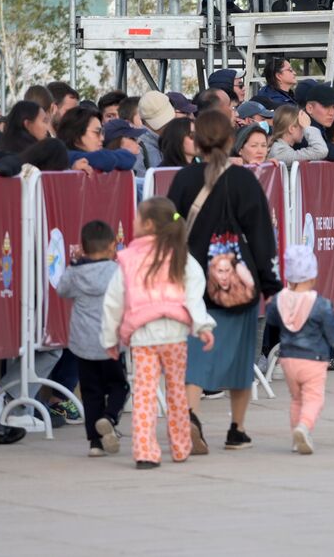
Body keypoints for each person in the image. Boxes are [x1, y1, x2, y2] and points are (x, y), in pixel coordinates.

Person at [167, 110, 282, 453]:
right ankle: (237, 429)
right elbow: (262, 235)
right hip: (238, 282)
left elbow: (171, 224)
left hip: (193, 282)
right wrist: (271, 284)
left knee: (195, 357)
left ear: (198, 142)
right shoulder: (245, 181)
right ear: (232, 141)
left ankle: (189, 415)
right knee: (239, 357)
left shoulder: (184, 180)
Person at [100, 198, 215, 469]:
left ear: (148, 224)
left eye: (137, 218)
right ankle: (180, 446)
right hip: (175, 336)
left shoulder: (128, 258)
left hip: (142, 336)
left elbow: (114, 300)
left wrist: (109, 338)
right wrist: (203, 325)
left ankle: (145, 453)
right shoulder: (181, 255)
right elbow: (193, 294)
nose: (134, 222)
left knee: (145, 394)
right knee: (176, 392)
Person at [266, 244, 334, 455]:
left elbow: (272, 319)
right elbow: (332, 331)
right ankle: (304, 427)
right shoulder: (320, 304)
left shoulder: (280, 299)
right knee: (314, 398)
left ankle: (297, 436)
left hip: (287, 359)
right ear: (312, 276)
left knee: (297, 399)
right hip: (313, 360)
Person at [58, 220, 130, 458]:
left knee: (91, 392)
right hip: (111, 343)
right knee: (119, 385)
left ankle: (95, 443)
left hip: (83, 344)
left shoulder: (76, 272)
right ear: (112, 246)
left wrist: (73, 263)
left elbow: (62, 290)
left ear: (83, 247)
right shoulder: (117, 271)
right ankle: (108, 417)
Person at [56, 107, 137, 172]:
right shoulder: (64, 157)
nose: (102, 138)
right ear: (76, 135)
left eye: (102, 132)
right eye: (97, 132)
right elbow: (104, 159)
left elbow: (129, 158)